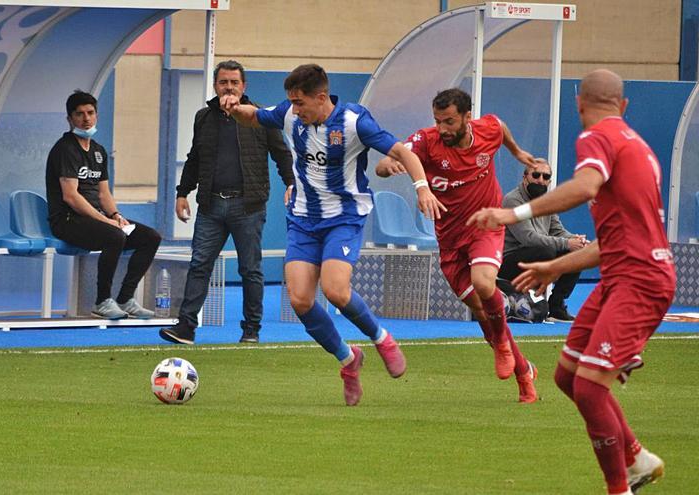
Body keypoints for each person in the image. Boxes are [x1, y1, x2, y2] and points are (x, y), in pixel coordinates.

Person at [468, 69, 673, 495]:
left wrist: (511, 214)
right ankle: (636, 457)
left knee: (590, 388)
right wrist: (553, 267)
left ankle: (619, 487)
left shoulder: (597, 138)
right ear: (625, 105)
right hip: (625, 274)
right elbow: (613, 240)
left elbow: (584, 185)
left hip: (638, 279)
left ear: (579, 104)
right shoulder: (639, 149)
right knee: (566, 377)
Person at [221, 64, 446, 406]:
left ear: (321, 97)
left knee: (336, 290)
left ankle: (381, 337)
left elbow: (403, 152)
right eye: (291, 103)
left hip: (344, 216)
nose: (294, 110)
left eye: (300, 103)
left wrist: (421, 188)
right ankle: (347, 359)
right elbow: (254, 117)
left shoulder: (355, 122)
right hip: (303, 218)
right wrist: (235, 108)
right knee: (299, 299)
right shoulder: (289, 115)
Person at [376, 88, 540, 403]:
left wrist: (517, 152)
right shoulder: (426, 142)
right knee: (481, 312)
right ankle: (524, 372)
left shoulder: (486, 130)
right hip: (450, 243)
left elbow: (500, 126)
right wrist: (387, 167)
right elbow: (387, 163)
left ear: (467, 117)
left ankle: (505, 350)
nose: (442, 129)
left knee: (483, 283)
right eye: (438, 121)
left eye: (449, 121)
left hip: (485, 226)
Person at [160, 60, 294, 345]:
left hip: (248, 205)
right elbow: (194, 158)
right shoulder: (203, 118)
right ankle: (186, 327)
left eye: (234, 82)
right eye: (224, 82)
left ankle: (251, 330)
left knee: (250, 269)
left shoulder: (261, 116)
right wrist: (182, 193)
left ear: (243, 87)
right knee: (199, 265)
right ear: (215, 86)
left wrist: (291, 183)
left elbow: (282, 153)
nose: (229, 87)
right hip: (210, 206)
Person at [46, 90, 162, 320]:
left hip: (96, 218)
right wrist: (107, 222)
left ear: (97, 115)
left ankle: (126, 299)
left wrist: (116, 215)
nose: (86, 118)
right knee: (114, 236)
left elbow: (103, 192)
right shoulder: (65, 149)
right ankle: (102, 301)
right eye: (79, 114)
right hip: (67, 220)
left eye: (90, 113)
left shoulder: (98, 150)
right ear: (70, 119)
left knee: (150, 237)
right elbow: (71, 197)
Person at [500, 158, 589, 321]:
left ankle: (556, 305)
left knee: (578, 253)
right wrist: (567, 243)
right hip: (508, 263)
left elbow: (557, 231)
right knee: (546, 250)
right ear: (525, 177)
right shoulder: (513, 200)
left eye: (545, 177)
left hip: (534, 255)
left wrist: (576, 241)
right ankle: (530, 294)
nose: (541, 180)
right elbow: (528, 238)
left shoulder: (547, 201)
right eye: (536, 175)